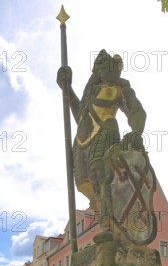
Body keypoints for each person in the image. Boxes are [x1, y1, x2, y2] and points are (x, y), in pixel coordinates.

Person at [57, 49, 146, 214]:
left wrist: (137, 131)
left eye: (103, 65)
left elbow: (135, 110)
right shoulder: (90, 91)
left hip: (105, 133)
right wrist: (67, 89)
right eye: (97, 66)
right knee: (84, 185)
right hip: (82, 141)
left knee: (100, 176)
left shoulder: (120, 87)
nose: (98, 70)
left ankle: (113, 217)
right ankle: (103, 216)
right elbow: (82, 118)